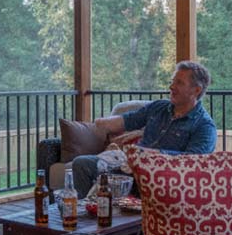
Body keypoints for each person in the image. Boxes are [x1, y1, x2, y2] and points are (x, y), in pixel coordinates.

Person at [71, 61, 217, 197]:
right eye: (172, 81)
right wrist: (97, 123)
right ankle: (84, 212)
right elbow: (128, 120)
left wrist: (152, 155)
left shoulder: (204, 126)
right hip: (130, 168)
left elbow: (193, 161)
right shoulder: (159, 107)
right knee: (82, 164)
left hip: (161, 180)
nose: (172, 87)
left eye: (179, 82)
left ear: (196, 90)